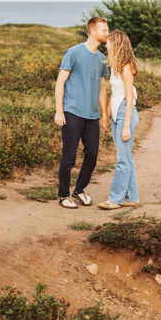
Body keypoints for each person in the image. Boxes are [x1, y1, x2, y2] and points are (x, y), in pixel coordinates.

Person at [55, 17, 110, 209]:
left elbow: (102, 87)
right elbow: (60, 82)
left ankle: (79, 190)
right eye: (104, 30)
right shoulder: (74, 52)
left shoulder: (101, 57)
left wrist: (104, 114)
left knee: (92, 154)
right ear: (93, 31)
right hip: (72, 112)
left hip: (92, 115)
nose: (107, 33)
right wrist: (59, 111)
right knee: (69, 155)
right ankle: (63, 195)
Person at [96, 30, 140, 210]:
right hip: (116, 113)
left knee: (122, 160)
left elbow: (129, 97)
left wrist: (126, 125)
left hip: (125, 112)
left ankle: (115, 199)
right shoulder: (114, 66)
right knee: (126, 158)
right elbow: (114, 93)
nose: (106, 44)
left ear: (117, 43)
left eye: (109, 42)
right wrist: (106, 116)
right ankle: (133, 197)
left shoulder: (126, 67)